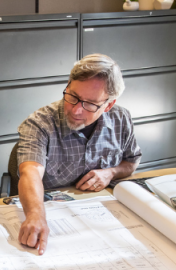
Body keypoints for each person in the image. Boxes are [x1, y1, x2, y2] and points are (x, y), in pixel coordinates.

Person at [17, 54, 142, 255]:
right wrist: (35, 215)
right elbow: (30, 172)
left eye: (90, 104)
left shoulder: (121, 118)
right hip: (53, 217)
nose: (76, 110)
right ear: (67, 86)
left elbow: (132, 162)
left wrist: (111, 172)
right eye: (72, 97)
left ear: (108, 105)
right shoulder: (40, 123)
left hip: (103, 219)